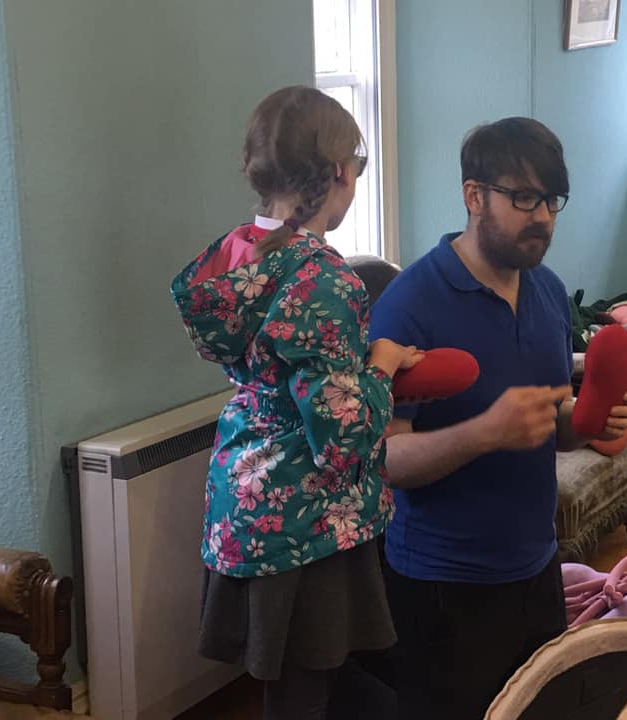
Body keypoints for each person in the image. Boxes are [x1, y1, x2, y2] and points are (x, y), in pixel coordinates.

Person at [368, 116, 627, 719]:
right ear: (473, 196)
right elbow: (380, 457)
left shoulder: (547, 292)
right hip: (441, 585)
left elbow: (550, 419)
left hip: (537, 565)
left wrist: (591, 422)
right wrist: (483, 432)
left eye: (551, 199)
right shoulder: (408, 306)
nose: (540, 215)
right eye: (522, 197)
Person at [170, 85, 422, 720]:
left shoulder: (236, 256)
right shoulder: (324, 280)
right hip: (306, 514)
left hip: (244, 486)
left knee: (290, 683)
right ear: (339, 171)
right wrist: (384, 364)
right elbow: (339, 435)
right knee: (306, 688)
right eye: (358, 167)